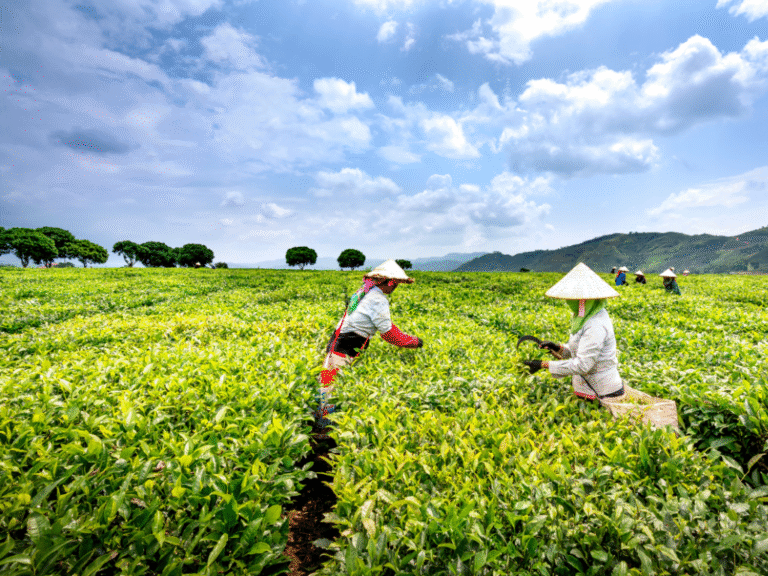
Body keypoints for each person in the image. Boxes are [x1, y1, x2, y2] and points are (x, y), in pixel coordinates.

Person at [315, 259, 423, 436]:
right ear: (387, 282)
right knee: (329, 387)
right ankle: (323, 430)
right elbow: (388, 333)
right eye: (395, 284)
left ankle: (323, 423)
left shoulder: (366, 292)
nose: (395, 288)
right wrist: (413, 342)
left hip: (339, 343)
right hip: (344, 346)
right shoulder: (378, 299)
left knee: (329, 382)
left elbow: (385, 324)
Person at [521, 262, 625, 401]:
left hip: (603, 392)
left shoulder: (596, 324)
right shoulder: (583, 316)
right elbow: (581, 350)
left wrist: (543, 364)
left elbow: (583, 364)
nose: (569, 301)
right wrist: (558, 348)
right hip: (586, 388)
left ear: (583, 300)